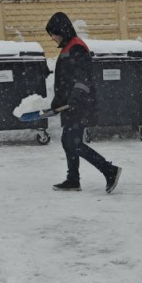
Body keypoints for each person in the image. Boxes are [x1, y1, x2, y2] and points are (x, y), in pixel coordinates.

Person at [45, 12, 121, 194]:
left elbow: (83, 76)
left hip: (80, 105)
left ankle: (109, 170)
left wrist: (75, 97)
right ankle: (73, 179)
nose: (53, 38)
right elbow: (64, 82)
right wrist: (57, 103)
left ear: (62, 30)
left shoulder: (76, 47)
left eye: (54, 34)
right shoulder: (67, 47)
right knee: (68, 140)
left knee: (73, 142)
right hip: (71, 105)